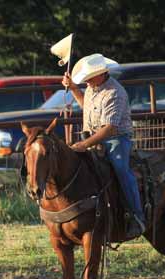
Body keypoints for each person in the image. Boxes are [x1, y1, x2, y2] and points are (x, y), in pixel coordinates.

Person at [63, 53, 145, 238]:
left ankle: (137, 216)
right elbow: (87, 105)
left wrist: (84, 144)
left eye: (90, 78)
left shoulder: (115, 92)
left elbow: (109, 129)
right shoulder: (94, 87)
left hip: (116, 140)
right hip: (92, 138)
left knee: (121, 171)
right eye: (86, 79)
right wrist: (74, 88)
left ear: (102, 74)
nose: (88, 81)